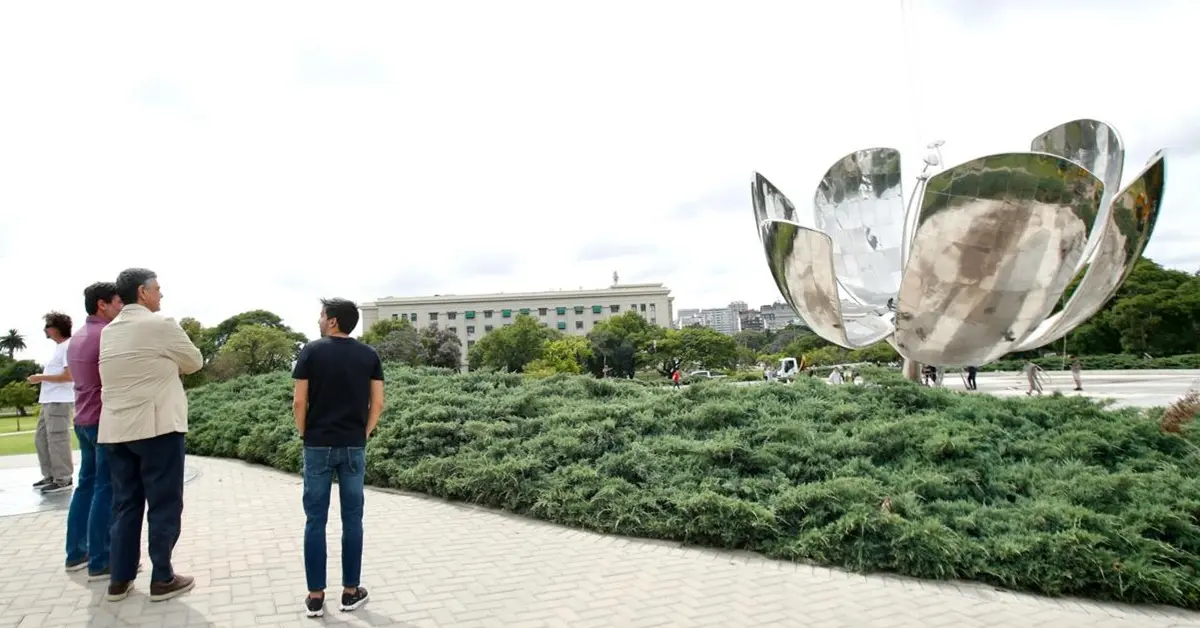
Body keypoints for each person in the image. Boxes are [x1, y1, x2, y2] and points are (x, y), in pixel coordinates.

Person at [99, 268, 203, 603]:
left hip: (115, 429)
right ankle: (162, 577)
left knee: (125, 504)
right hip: (158, 427)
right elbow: (195, 361)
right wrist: (169, 365)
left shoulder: (109, 331)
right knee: (164, 503)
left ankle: (120, 578)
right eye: (158, 289)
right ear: (143, 293)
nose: (161, 295)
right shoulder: (161, 325)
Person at [293, 298, 382, 617]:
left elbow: (299, 402)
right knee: (352, 518)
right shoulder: (369, 355)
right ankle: (350, 592)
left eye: (321, 315)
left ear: (332, 321)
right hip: (353, 445)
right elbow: (378, 403)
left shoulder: (311, 352)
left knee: (315, 519)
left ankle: (316, 597)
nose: (319, 320)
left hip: (317, 445)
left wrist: (305, 434)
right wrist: (364, 433)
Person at [64, 283, 123, 578]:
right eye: (118, 302)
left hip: (82, 420)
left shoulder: (77, 337)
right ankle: (101, 559)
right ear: (102, 305)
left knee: (86, 486)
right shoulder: (106, 336)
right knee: (106, 488)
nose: (122, 307)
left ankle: (76, 552)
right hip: (102, 421)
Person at [29, 311, 75, 494]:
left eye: (48, 326)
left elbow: (68, 375)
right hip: (48, 401)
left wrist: (40, 377)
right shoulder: (59, 348)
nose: (45, 330)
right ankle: (49, 475)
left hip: (60, 401)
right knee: (41, 439)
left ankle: (63, 478)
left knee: (57, 439)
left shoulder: (67, 347)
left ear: (56, 328)